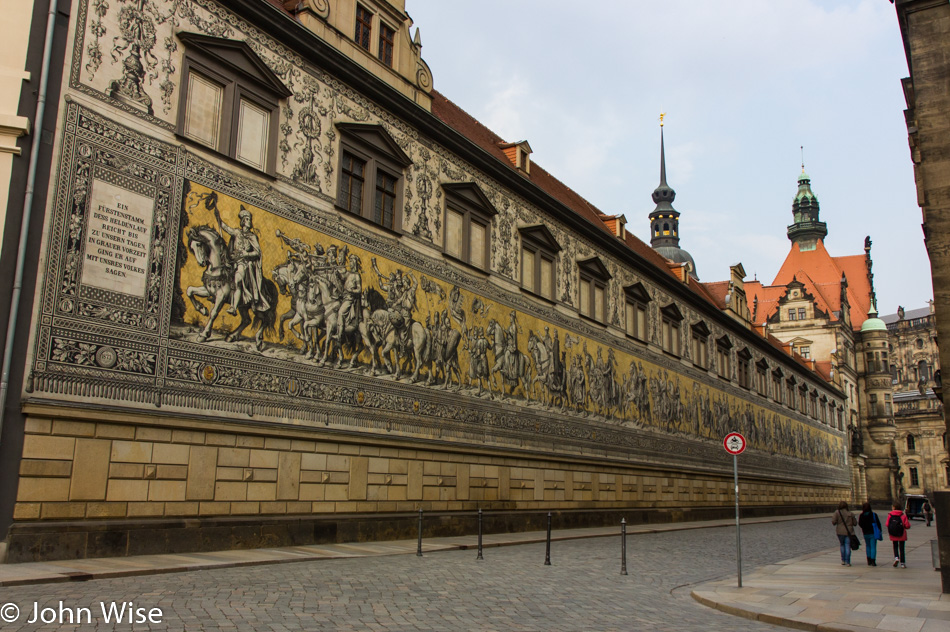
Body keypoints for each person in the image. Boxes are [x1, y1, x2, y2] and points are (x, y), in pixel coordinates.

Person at [832, 500, 857, 566]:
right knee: (847, 546)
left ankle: (843, 560)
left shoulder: (837, 512)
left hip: (840, 531)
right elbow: (855, 523)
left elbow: (833, 522)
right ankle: (848, 561)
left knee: (842, 545)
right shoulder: (850, 513)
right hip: (849, 532)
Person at [886, 503, 911, 568]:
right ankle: (902, 563)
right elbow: (907, 525)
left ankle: (896, 558)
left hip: (893, 534)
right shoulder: (903, 515)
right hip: (901, 533)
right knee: (902, 548)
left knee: (895, 546)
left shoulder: (890, 515)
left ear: (894, 507)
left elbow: (887, 524)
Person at [857, 502, 881, 566]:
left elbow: (860, 523)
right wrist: (879, 530)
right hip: (873, 533)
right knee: (873, 547)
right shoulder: (873, 514)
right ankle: (873, 561)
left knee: (868, 546)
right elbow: (878, 523)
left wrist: (864, 528)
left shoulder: (861, 515)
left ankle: (869, 560)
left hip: (865, 533)